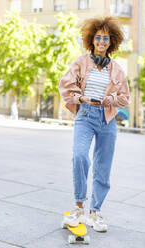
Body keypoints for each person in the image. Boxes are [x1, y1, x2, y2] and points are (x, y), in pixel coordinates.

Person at [59, 16, 131, 232]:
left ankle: (95, 212)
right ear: (92, 39)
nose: (101, 41)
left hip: (107, 119)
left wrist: (112, 99)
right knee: (79, 156)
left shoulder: (117, 69)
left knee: (103, 167)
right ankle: (79, 207)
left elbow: (125, 98)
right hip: (86, 116)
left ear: (111, 42)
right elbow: (66, 86)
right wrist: (81, 98)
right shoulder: (81, 62)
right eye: (98, 37)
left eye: (105, 38)